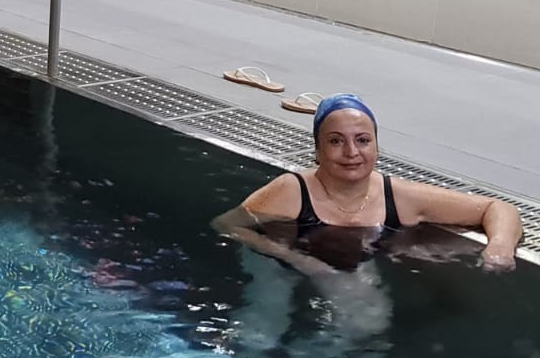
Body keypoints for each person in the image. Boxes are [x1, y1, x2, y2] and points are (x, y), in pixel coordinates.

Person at [213, 94, 522, 273]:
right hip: (282, 271)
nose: (351, 152)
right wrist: (296, 259)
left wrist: (499, 248)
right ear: (317, 150)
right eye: (336, 141)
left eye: (362, 140)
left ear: (376, 147)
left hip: (355, 273)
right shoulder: (291, 192)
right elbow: (226, 225)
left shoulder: (399, 197)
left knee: (365, 321)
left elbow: (497, 208)